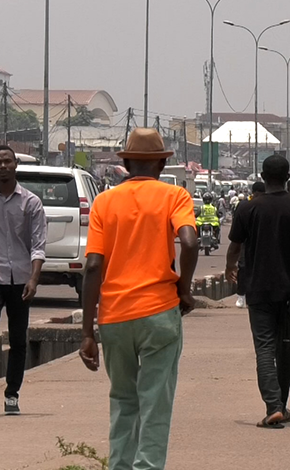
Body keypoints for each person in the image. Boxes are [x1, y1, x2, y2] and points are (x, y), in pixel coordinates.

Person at [78, 128, 198, 469]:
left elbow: (93, 266)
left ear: (127, 164)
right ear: (161, 164)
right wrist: (184, 289)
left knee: (123, 400)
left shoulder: (104, 202)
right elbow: (190, 243)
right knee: (155, 403)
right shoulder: (175, 196)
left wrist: (87, 332)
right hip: (159, 313)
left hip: (115, 317)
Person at [225, 155, 290, 429]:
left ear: (263, 177)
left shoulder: (248, 208)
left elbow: (235, 247)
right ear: (288, 177)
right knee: (286, 347)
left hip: (258, 289)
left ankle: (273, 406)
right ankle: (282, 405)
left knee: (265, 348)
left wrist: (231, 267)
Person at [0, 145, 47, 418]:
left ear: (16, 164)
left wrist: (33, 279)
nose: (3, 166)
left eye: (7, 161)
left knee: (19, 338)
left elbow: (38, 246)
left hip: (21, 277)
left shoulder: (31, 203)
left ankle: (12, 394)